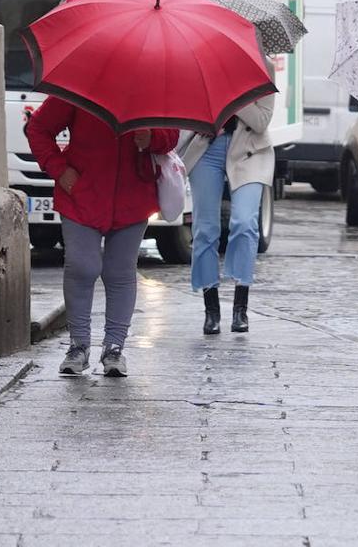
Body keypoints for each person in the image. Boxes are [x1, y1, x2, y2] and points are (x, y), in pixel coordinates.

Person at [26, 97, 178, 377]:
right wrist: (60, 171)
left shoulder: (153, 88)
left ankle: (114, 348)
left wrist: (152, 138)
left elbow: (171, 137)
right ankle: (78, 346)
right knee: (81, 266)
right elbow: (37, 128)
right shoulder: (79, 88)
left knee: (120, 272)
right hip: (82, 194)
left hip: (133, 198)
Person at [183, 95, 275, 335]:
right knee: (205, 229)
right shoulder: (200, 63)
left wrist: (235, 95)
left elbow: (262, 121)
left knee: (245, 223)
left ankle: (240, 307)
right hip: (207, 148)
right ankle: (211, 309)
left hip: (250, 151)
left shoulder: (261, 67)